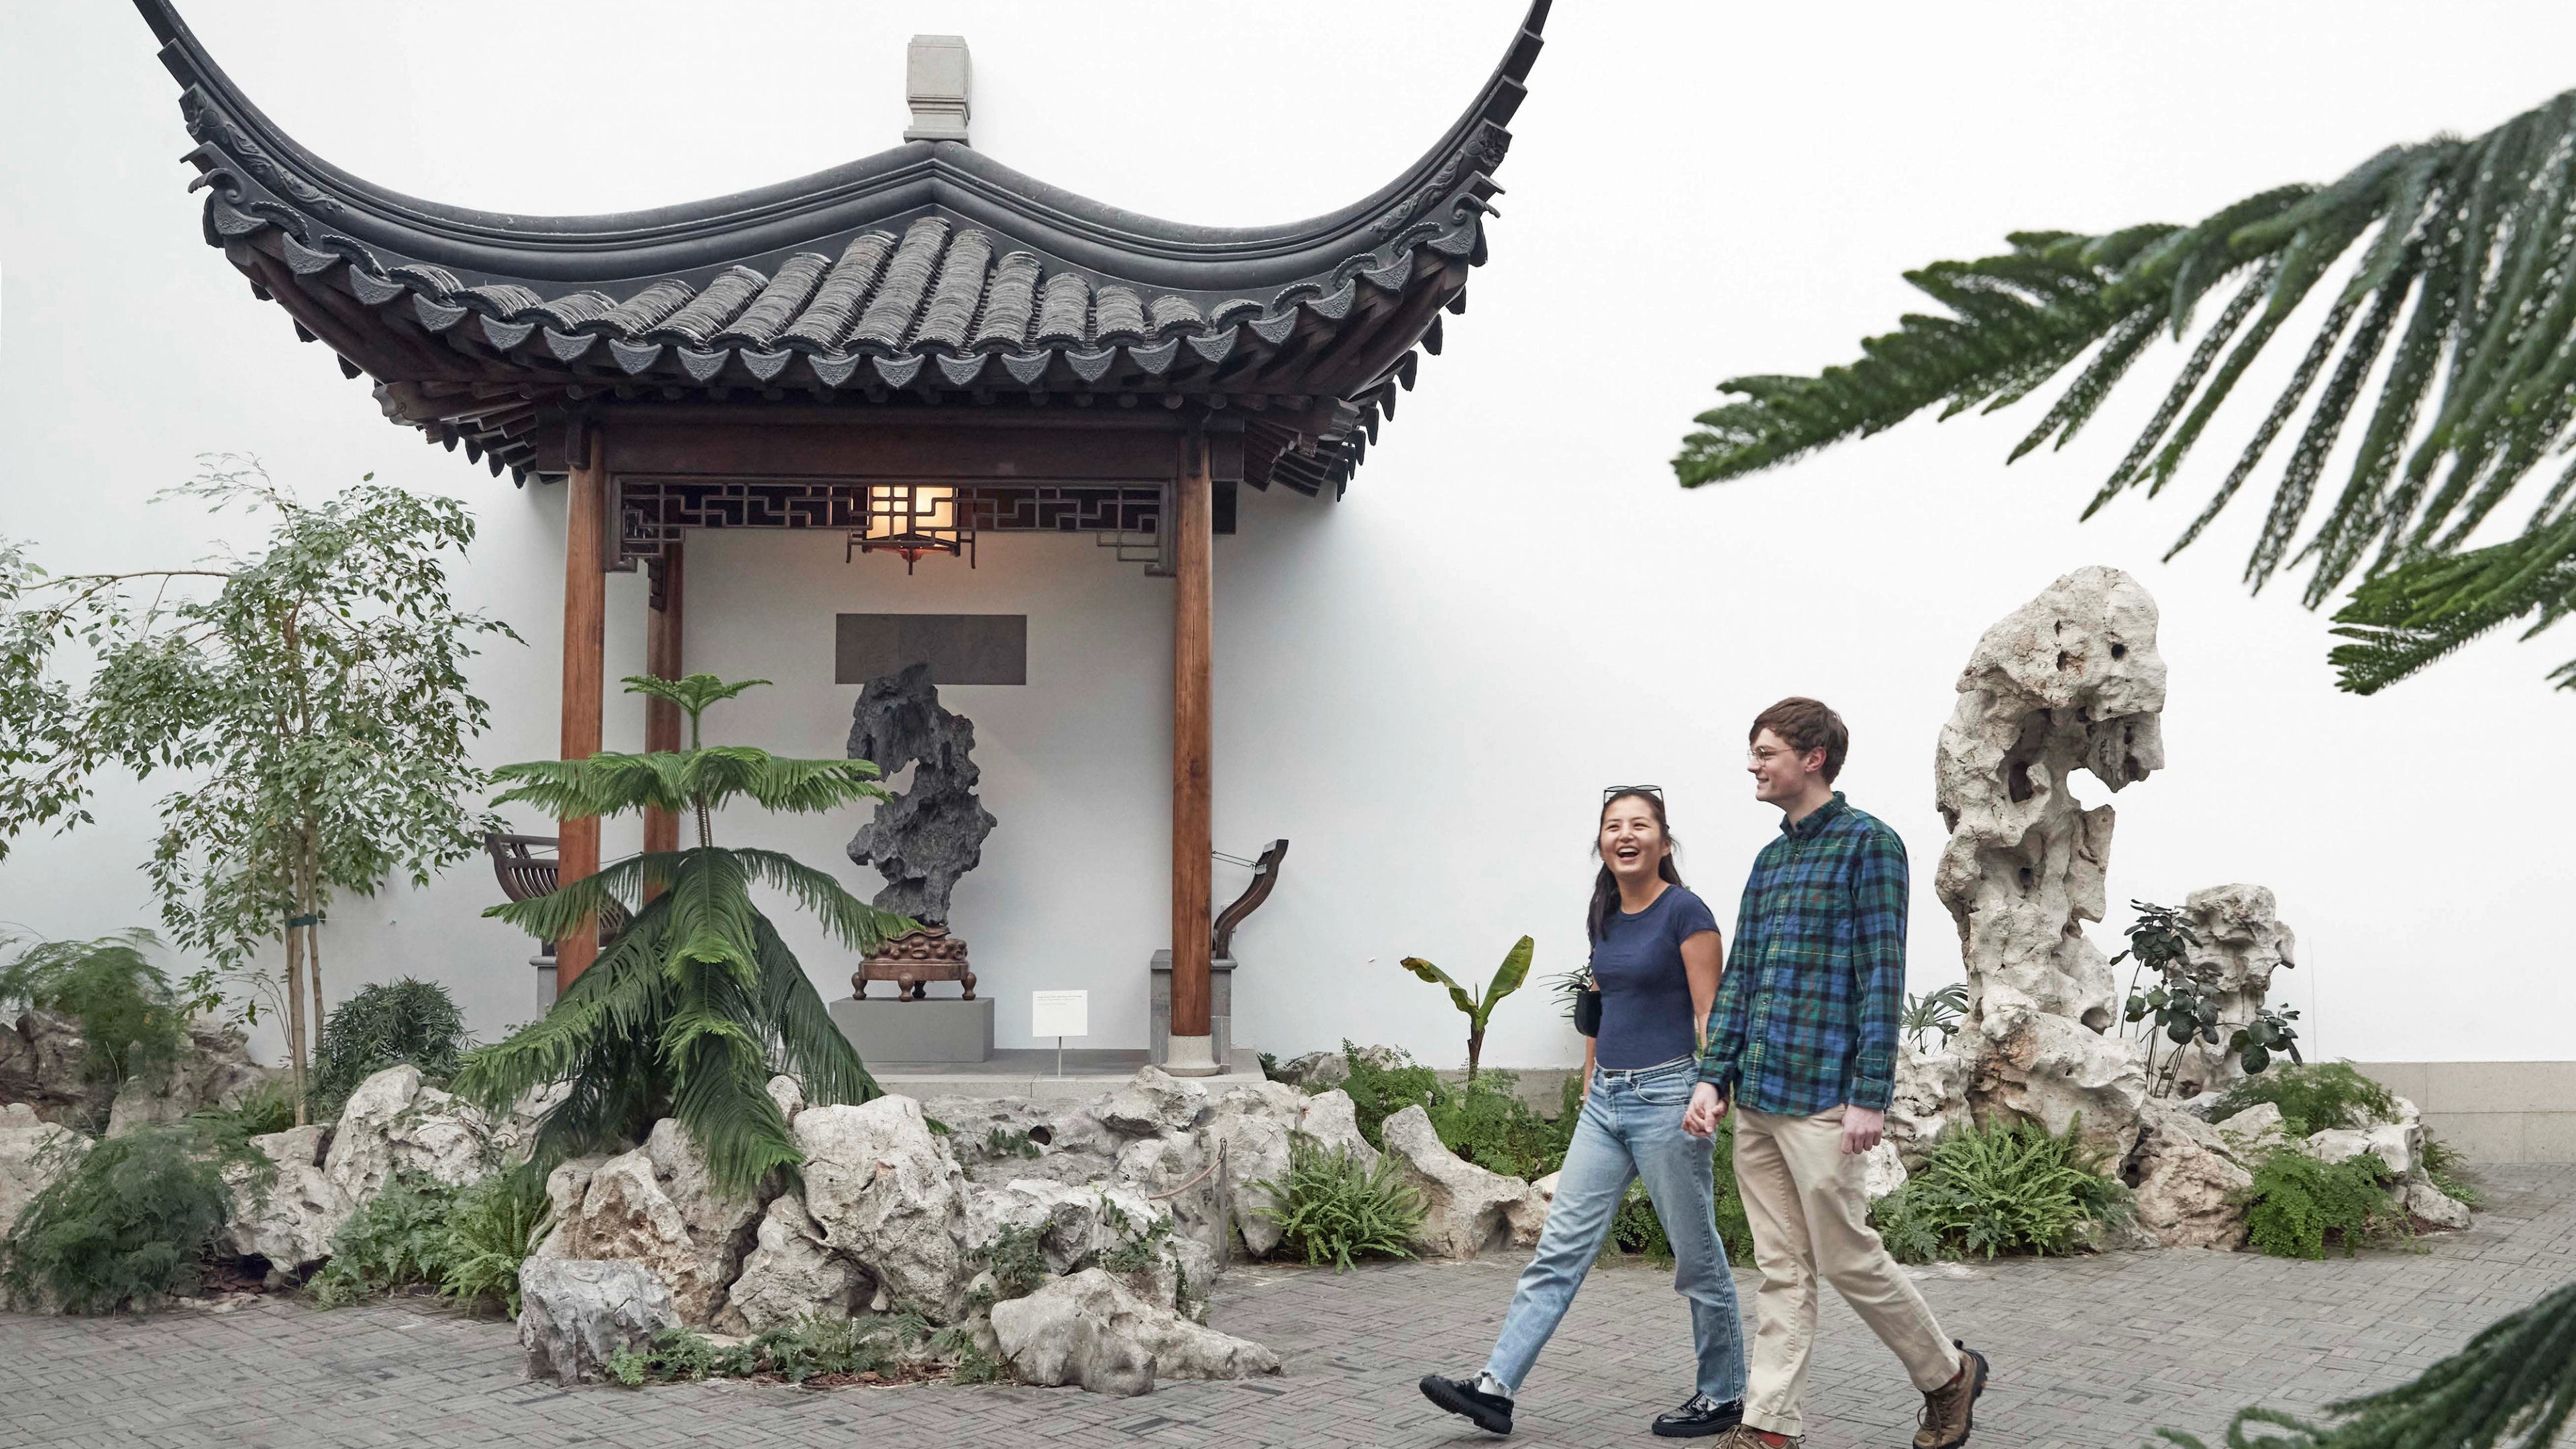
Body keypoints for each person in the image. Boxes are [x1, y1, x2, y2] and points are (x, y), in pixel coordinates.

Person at [1683, 698, 1989, 1449]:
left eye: (1766, 752)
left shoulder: (1870, 847)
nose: (1754, 765)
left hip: (1825, 1098)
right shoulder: (1770, 860)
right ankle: (1769, 1428)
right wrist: (1712, 1078)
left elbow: (1880, 976)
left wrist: (1869, 1097)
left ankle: (1948, 1376)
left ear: (1812, 756)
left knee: (1848, 1259)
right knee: (1781, 1269)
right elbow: (1743, 977)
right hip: (1758, 1097)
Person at [1421, 788, 1748, 1439]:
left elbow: (1713, 1011)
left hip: (1668, 1097)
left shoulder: (1686, 912)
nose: (1625, 835)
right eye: (1613, 826)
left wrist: (1713, 1086)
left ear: (1663, 840)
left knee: (1695, 1253)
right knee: (1558, 1250)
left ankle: (1723, 1393)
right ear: (1601, 841)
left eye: (1640, 825)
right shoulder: (1605, 916)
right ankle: (1496, 1388)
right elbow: (1599, 1004)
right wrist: (1591, 1079)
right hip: (1608, 1106)